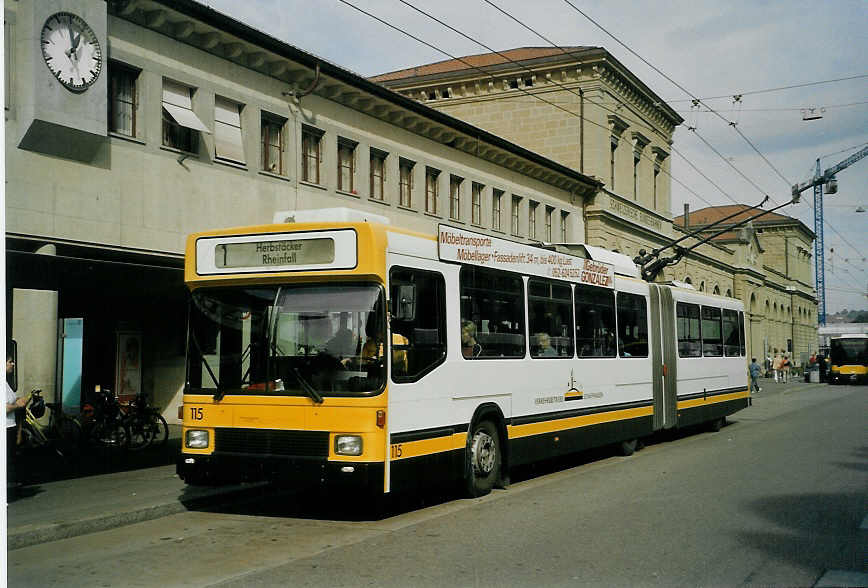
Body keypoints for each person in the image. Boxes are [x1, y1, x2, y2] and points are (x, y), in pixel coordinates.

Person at [6, 354, 27, 489]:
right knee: (7, 458)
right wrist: (18, 406)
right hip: (5, 427)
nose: (12, 364)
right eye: (10, 362)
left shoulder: (6, 382)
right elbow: (5, 408)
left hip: (10, 426)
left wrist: (19, 400)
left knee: (10, 456)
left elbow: (10, 401)